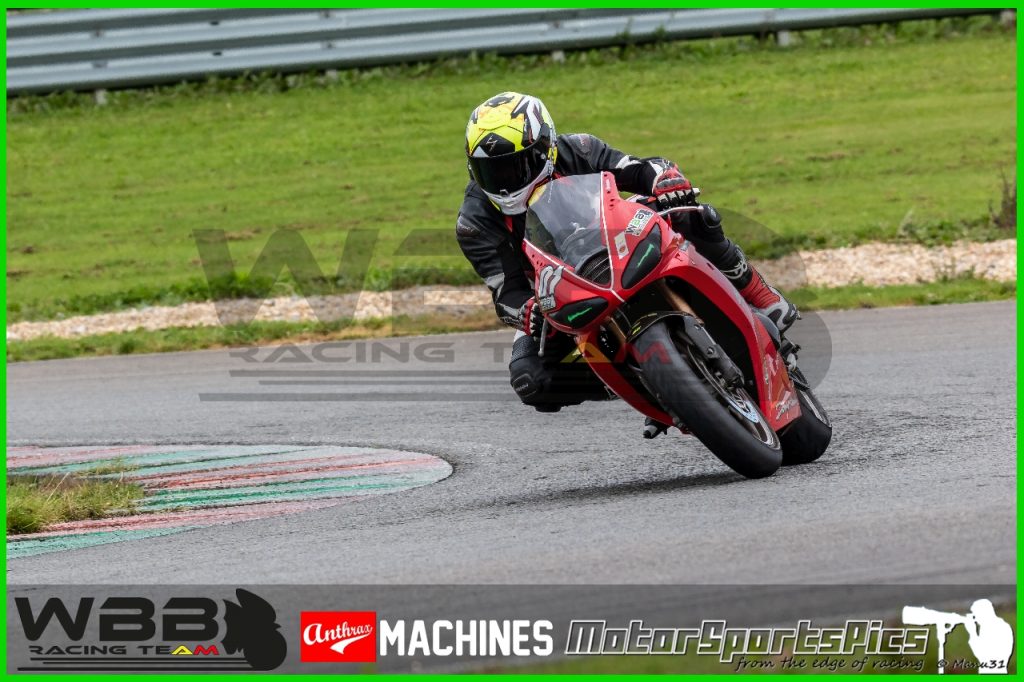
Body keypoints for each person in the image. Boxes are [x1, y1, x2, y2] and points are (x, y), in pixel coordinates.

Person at [455, 92, 798, 436]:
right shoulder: (473, 223)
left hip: (619, 236)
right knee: (530, 380)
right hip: (557, 291)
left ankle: (762, 296)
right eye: (490, 171)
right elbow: (506, 293)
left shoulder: (579, 149)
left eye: (514, 166)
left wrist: (664, 179)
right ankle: (653, 387)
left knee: (692, 215)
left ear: (546, 147)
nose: (504, 182)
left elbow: (641, 168)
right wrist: (525, 311)